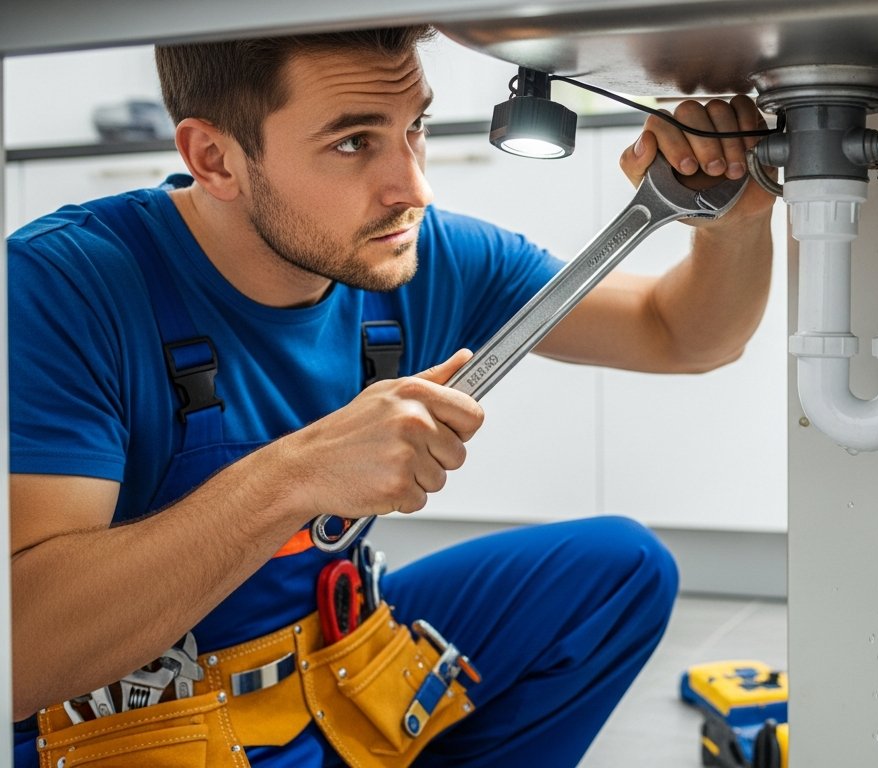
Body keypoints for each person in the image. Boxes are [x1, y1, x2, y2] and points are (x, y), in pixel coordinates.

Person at [7, 25, 775, 767]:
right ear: (214, 158)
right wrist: (296, 473)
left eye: (416, 129)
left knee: (617, 570)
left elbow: (682, 334)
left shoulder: (423, 254)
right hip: (141, 730)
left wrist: (733, 231)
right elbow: (24, 653)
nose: (414, 186)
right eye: (353, 142)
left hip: (333, 664)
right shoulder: (63, 286)